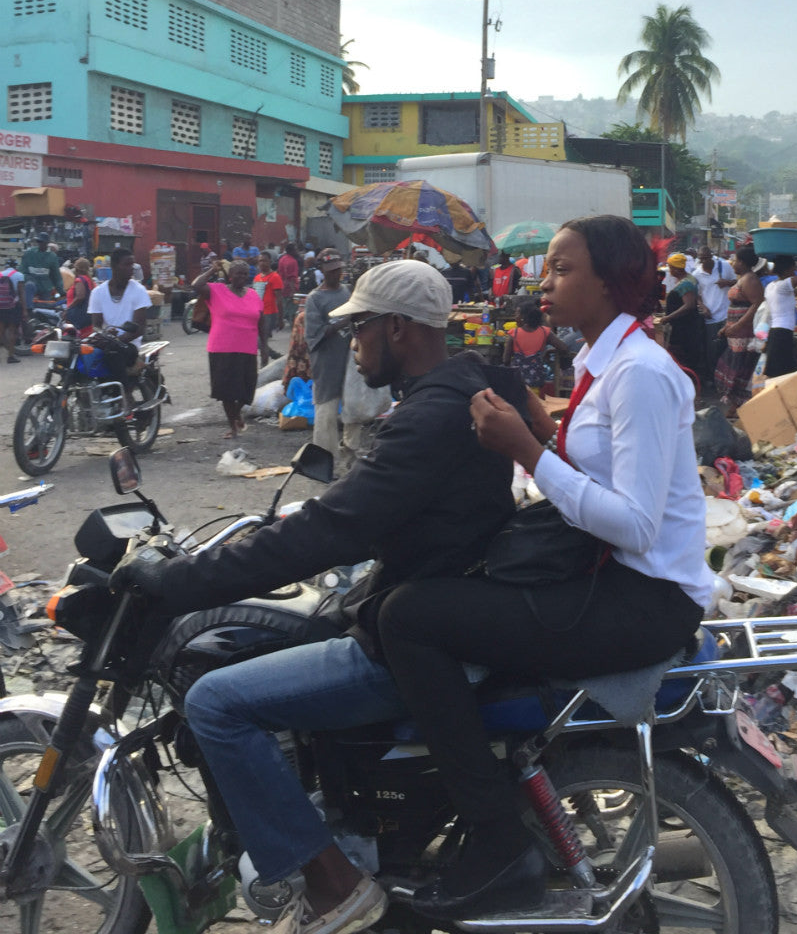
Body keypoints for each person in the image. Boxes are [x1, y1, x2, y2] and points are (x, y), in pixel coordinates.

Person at [111, 259, 520, 934]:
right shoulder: (462, 388)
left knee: (215, 702)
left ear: (396, 327)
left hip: (414, 633)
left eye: (359, 327)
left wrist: (185, 580)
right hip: (431, 607)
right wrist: (280, 531)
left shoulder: (429, 417)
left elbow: (335, 528)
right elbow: (356, 515)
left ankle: (333, 888)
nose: (352, 343)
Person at [375, 215, 711, 921]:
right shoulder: (600, 363)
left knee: (408, 617)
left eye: (561, 269)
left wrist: (529, 452)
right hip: (609, 575)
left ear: (611, 282)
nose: (543, 281)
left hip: (644, 596)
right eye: (547, 267)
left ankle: (498, 841)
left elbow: (638, 524)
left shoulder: (641, 374)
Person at [192, 259, 262, 438]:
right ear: (230, 275)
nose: (242, 277)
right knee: (227, 391)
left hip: (248, 348)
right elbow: (196, 285)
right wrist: (211, 271)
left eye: (245, 274)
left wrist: (266, 345)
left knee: (247, 390)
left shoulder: (253, 294)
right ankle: (233, 426)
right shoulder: (217, 290)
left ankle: (236, 413)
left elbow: (261, 319)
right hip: (222, 348)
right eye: (238, 273)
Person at [305, 249, 352, 454]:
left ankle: (351, 453)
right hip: (326, 361)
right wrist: (343, 322)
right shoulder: (315, 299)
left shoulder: (347, 292)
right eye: (331, 270)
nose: (335, 274)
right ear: (322, 271)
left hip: (350, 359)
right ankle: (325, 458)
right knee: (326, 410)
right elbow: (314, 334)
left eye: (338, 270)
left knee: (354, 409)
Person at [87, 246, 151, 390]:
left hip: (130, 345)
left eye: (132, 265)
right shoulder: (97, 292)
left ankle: (126, 394)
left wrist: (116, 341)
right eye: (127, 264)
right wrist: (102, 335)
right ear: (114, 266)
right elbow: (96, 325)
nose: (132, 268)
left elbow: (139, 328)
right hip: (107, 341)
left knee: (114, 353)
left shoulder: (139, 291)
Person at [714, 244, 764, 416]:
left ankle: (740, 406)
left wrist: (738, 325)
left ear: (742, 262)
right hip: (735, 333)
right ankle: (736, 405)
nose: (733, 263)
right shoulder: (742, 278)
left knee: (741, 368)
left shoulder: (750, 279)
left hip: (744, 332)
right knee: (734, 366)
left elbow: (756, 304)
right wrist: (727, 327)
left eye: (735, 260)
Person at [762, 241, 797, 379]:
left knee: (780, 375)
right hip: (782, 334)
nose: (795, 271)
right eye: (793, 269)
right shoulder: (783, 286)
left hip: (775, 333)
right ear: (787, 269)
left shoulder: (771, 286)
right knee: (783, 376)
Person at [502, 299, 568, 394]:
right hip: (536, 382)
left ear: (523, 317)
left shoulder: (513, 334)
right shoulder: (545, 332)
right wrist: (548, 352)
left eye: (517, 314)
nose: (515, 317)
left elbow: (506, 360)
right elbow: (564, 348)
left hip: (517, 383)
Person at [692, 245, 735, 380]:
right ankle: (714, 378)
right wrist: (703, 307)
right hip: (710, 317)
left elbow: (737, 282)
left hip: (727, 314)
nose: (704, 261)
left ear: (712, 256)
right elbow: (697, 295)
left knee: (729, 348)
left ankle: (727, 377)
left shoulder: (724, 266)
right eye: (701, 259)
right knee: (712, 350)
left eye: (706, 258)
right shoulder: (696, 274)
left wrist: (727, 282)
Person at [660, 252, 704, 378]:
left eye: (671, 268)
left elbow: (689, 305)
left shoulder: (686, 283)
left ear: (676, 269)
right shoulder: (688, 279)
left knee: (683, 356)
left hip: (684, 327)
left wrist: (668, 317)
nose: (670, 271)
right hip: (684, 325)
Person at [254, 252, 285, 367]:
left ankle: (264, 365)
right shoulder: (257, 278)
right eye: (260, 261)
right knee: (258, 341)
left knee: (261, 341)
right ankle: (274, 355)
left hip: (269, 314)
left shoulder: (275, 277)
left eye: (264, 260)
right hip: (257, 313)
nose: (262, 263)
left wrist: (280, 319)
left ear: (270, 262)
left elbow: (279, 299)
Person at [19, 231, 64, 310]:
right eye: (38, 241)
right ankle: (28, 313)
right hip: (32, 286)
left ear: (47, 243)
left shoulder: (52, 257)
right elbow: (22, 272)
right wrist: (29, 280)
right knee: (29, 288)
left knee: (46, 309)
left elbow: (56, 276)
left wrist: (61, 292)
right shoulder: (29, 253)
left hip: (45, 288)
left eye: (42, 242)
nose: (40, 244)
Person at [0, 259, 26, 364]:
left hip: (1, 306)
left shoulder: (0, 274)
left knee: (1, 331)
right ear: (16, 266)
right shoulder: (19, 275)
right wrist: (24, 310)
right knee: (12, 331)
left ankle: (7, 349)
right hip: (13, 306)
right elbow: (21, 293)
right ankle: (10, 356)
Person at [65, 257, 95, 335]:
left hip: (78, 316)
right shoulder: (90, 281)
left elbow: (80, 296)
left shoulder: (80, 280)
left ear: (76, 269)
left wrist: (68, 309)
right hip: (88, 318)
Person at [278, 242, 302, 328]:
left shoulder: (282, 259)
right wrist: (293, 291)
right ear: (292, 251)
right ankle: (293, 324)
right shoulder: (292, 261)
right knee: (293, 308)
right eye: (296, 249)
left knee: (286, 306)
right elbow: (291, 278)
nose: (297, 251)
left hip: (282, 287)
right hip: (290, 288)